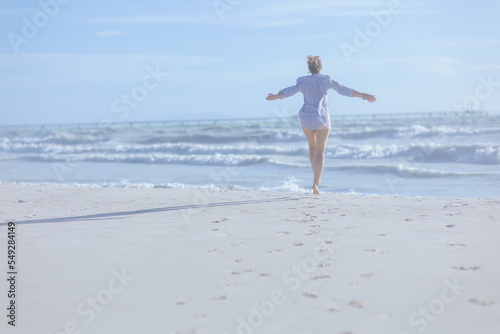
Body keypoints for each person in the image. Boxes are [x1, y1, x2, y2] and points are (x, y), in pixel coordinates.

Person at [266, 55, 376, 195]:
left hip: (307, 119)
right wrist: (365, 96)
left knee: (312, 148)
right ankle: (315, 183)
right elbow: (345, 90)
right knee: (321, 152)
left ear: (309, 69)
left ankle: (316, 177)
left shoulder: (302, 80)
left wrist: (276, 95)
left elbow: (290, 91)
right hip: (322, 119)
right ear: (321, 68)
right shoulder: (327, 79)